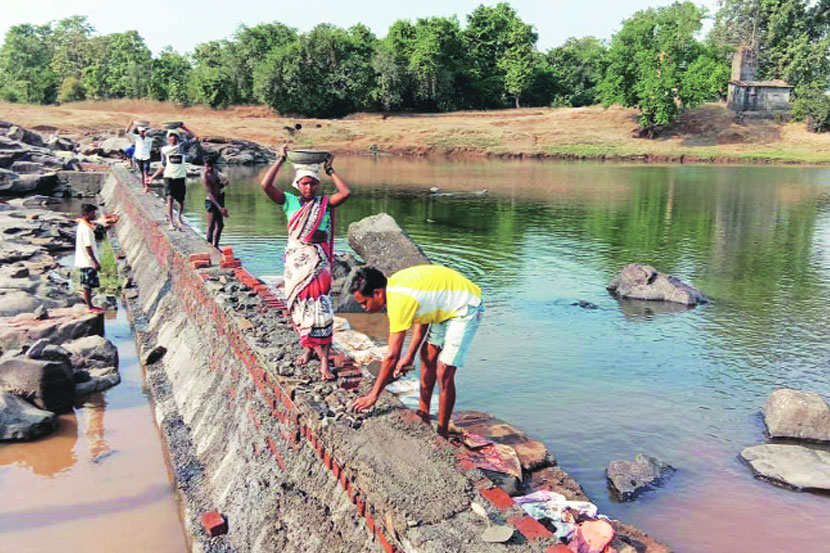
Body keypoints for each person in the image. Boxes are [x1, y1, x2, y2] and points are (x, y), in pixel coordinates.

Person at [349, 265, 484, 438]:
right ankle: (424, 413)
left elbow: (392, 356)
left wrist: (373, 395)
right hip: (445, 306)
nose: (364, 308)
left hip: (465, 306)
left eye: (364, 303)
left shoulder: (399, 301)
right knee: (426, 356)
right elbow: (422, 316)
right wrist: (410, 356)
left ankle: (442, 433)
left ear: (377, 293)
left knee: (444, 371)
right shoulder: (395, 289)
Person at [260, 144, 351, 381]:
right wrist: (280, 159)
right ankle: (308, 347)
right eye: (304, 183)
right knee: (300, 306)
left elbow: (346, 193)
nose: (309, 187)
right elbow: (265, 185)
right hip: (296, 264)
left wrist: (330, 170)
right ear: (297, 185)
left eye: (312, 183)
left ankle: (324, 363)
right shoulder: (289, 201)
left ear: (318, 185)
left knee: (321, 308)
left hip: (318, 264)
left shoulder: (324, 203)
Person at [146, 123, 199, 230]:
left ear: (177, 138)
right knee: (169, 198)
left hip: (180, 176)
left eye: (175, 136)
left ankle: (179, 218)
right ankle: (171, 222)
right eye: (171, 136)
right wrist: (152, 177)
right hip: (169, 176)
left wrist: (183, 127)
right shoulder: (164, 150)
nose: (173, 138)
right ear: (168, 138)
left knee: (180, 200)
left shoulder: (181, 147)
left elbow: (196, 138)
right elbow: (163, 165)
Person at [75, 203, 103, 313]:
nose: (94, 215)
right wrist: (94, 262)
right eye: (92, 213)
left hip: (84, 260)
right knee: (87, 285)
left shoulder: (83, 225)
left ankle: (90, 305)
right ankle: (90, 307)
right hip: (87, 261)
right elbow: (88, 247)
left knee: (88, 284)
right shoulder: (86, 229)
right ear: (87, 214)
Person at [203, 155, 229, 248]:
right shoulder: (205, 177)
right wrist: (219, 207)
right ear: (204, 166)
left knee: (220, 225)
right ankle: (209, 246)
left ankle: (215, 246)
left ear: (214, 165)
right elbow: (210, 194)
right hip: (211, 201)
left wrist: (223, 184)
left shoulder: (216, 173)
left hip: (220, 199)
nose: (209, 168)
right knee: (211, 225)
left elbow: (218, 187)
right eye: (207, 166)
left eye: (211, 166)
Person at [125, 119, 153, 191]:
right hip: (138, 156)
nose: (143, 133)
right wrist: (131, 123)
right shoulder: (136, 138)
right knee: (142, 172)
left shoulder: (149, 139)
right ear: (139, 132)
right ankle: (144, 185)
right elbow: (127, 132)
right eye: (141, 132)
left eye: (144, 132)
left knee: (146, 172)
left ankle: (147, 186)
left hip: (146, 157)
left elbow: (149, 148)